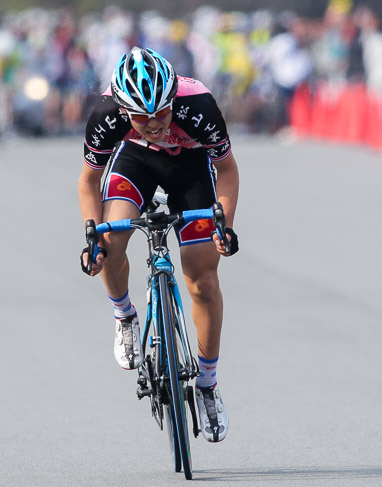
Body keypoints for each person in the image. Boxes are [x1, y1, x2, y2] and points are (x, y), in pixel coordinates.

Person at [78, 46, 240, 443]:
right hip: (135, 163)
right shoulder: (106, 115)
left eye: (161, 113)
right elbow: (88, 182)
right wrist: (91, 236)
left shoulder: (198, 103)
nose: (153, 124)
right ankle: (124, 315)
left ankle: (207, 383)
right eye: (141, 116)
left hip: (189, 167)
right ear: (122, 109)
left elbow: (227, 170)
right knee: (112, 240)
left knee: (202, 278)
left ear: (173, 101)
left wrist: (225, 225)